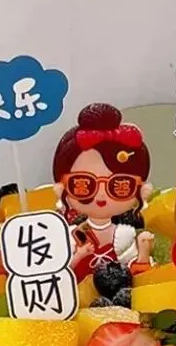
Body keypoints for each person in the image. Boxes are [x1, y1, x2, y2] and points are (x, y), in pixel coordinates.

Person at [52, 103, 155, 281]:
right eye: (84, 184)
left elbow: (134, 271)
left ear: (140, 191)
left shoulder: (123, 235)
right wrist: (80, 255)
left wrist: (143, 252)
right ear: (63, 189)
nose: (101, 194)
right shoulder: (72, 236)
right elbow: (59, 272)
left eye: (119, 185)